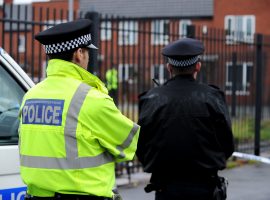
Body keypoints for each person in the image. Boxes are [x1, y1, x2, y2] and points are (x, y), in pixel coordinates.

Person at [19, 19, 140, 200]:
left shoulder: (30, 96)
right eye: (88, 52)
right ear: (79, 54)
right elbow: (129, 145)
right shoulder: (90, 99)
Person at [136, 38, 234, 200]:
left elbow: (141, 147)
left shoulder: (151, 99)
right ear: (198, 66)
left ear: (169, 68)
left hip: (167, 189)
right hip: (205, 188)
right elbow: (227, 145)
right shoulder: (213, 97)